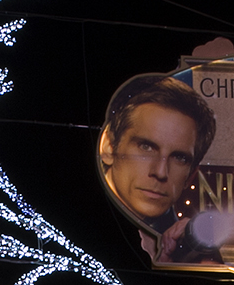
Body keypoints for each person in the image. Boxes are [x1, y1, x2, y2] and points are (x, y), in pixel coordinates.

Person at [97, 74, 226, 264]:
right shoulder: (66, 223)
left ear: (191, 174)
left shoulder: (190, 252)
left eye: (179, 158)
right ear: (108, 145)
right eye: (146, 147)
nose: (160, 172)